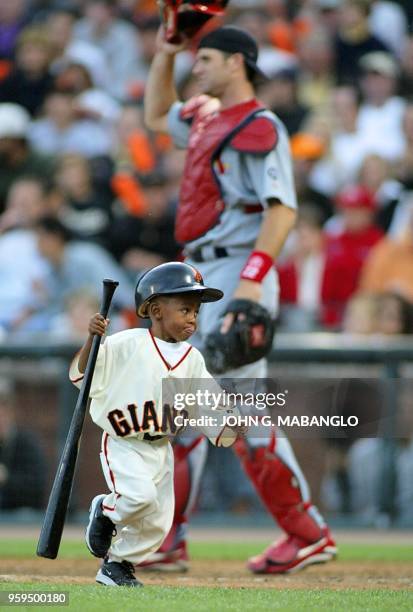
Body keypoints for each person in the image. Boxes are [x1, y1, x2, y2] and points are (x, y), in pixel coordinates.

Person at [144, 24, 337, 574]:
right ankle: (168, 538)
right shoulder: (205, 114)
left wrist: (251, 282)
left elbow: (282, 210)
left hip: (236, 268)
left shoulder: (259, 124)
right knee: (184, 407)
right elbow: (156, 116)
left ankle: (307, 533)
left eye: (205, 58)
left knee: (245, 409)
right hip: (201, 267)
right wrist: (164, 56)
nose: (195, 67)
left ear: (237, 63)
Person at [69, 261, 239, 587]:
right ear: (156, 310)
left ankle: (116, 566)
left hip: (161, 448)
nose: (193, 317)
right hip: (123, 442)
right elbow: (81, 376)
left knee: (157, 523)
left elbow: (210, 406)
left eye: (196, 311)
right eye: (185, 309)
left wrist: (229, 426)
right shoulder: (127, 343)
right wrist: (92, 340)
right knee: (138, 497)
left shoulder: (191, 358)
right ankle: (105, 510)